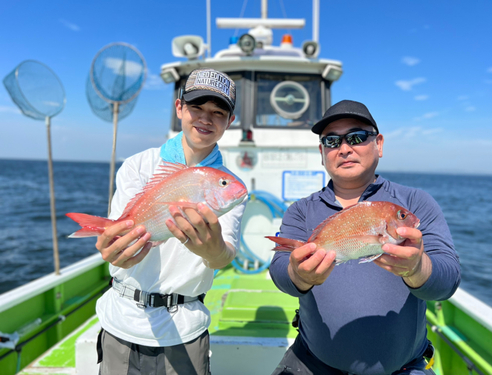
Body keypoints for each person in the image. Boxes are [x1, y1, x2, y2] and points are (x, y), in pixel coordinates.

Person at [269, 100, 461, 375]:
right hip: (311, 363)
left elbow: (448, 279)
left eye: (357, 137)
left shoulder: (415, 203)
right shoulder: (301, 210)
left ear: (379, 144)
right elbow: (280, 271)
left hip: (404, 368)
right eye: (332, 141)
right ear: (322, 152)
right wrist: (299, 275)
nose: (344, 148)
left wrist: (418, 269)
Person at [94, 68, 246, 375]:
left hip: (185, 328)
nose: (206, 118)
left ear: (229, 122)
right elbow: (121, 232)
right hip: (120, 320)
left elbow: (224, 254)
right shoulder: (140, 165)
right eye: (196, 108)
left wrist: (212, 250)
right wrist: (114, 250)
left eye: (218, 112)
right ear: (179, 108)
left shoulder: (230, 185)